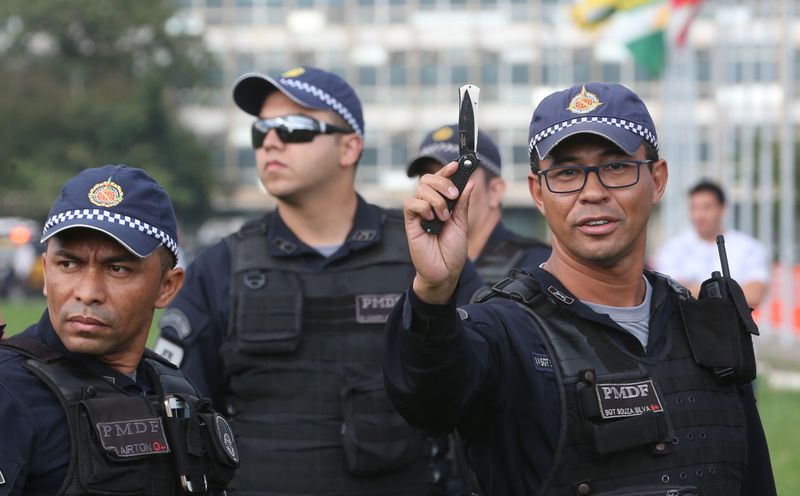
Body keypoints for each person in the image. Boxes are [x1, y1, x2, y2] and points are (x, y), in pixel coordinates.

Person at [383, 83, 776, 495]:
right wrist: (433, 292)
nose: (592, 192)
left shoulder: (704, 325)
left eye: (616, 167)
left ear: (657, 180)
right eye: (567, 173)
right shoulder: (503, 330)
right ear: (538, 193)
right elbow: (425, 399)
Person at [155, 66, 482, 495]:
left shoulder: (424, 255)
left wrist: (433, 294)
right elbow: (182, 420)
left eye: (293, 128)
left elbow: (476, 400)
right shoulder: (221, 268)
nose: (270, 141)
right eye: (261, 130)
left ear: (350, 147)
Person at [0, 165, 239, 496]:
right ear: (46, 271)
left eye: (117, 268)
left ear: (167, 287)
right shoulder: (8, 394)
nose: (87, 291)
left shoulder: (176, 388)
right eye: (68, 264)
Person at [407, 124, 551, 285]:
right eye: (428, 177)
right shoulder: (410, 267)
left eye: (456, 176)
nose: (437, 189)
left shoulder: (539, 267)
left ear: (495, 191)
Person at [653, 180, 770, 308]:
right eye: (694, 208)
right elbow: (669, 292)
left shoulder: (749, 248)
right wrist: (731, 292)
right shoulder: (673, 248)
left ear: (722, 209)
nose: (699, 215)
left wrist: (692, 290)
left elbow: (754, 294)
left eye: (706, 207)